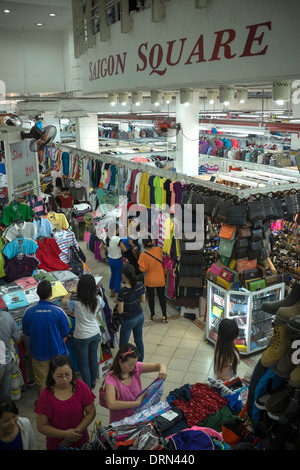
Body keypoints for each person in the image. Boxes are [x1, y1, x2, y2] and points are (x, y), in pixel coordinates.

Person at [35, 354, 96, 450]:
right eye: (59, 376)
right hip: (57, 443)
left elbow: (91, 412)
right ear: (52, 374)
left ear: (72, 371)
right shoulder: (46, 395)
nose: (64, 379)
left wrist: (75, 433)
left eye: (67, 374)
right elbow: (41, 426)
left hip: (79, 440)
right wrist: (65, 434)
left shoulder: (81, 387)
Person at [22, 280, 71, 396]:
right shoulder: (58, 311)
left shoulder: (29, 312)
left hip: (39, 354)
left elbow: (26, 332)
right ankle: (59, 403)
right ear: (51, 294)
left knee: (41, 383)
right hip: (57, 354)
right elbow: (65, 331)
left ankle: (44, 407)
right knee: (60, 381)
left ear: (37, 293)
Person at [104, 343, 167, 423]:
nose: (133, 367)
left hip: (138, 417)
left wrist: (163, 369)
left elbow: (158, 366)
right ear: (120, 362)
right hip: (121, 422)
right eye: (130, 365)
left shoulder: (135, 368)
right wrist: (136, 403)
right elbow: (111, 404)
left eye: (134, 364)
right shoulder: (111, 378)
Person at [61, 274, 104, 389]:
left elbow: (63, 301)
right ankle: (93, 382)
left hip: (81, 335)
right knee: (93, 359)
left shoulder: (76, 302)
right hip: (95, 333)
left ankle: (87, 386)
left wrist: (71, 291)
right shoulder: (98, 299)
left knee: (84, 362)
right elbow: (100, 308)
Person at [117, 264, 146, 361]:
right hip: (140, 316)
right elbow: (143, 300)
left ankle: (123, 364)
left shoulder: (122, 291)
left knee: (123, 344)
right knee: (138, 340)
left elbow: (120, 311)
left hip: (129, 319)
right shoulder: (141, 284)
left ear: (124, 275)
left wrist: (118, 302)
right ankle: (140, 363)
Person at [138, 237, 167, 323]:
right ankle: (164, 316)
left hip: (150, 280)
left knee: (151, 298)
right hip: (160, 278)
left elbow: (142, 269)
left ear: (143, 245)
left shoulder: (143, 255)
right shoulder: (159, 250)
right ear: (152, 242)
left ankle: (153, 315)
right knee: (162, 298)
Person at [101, 225, 127, 301]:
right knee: (118, 277)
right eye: (118, 229)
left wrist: (108, 249)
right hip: (117, 260)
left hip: (110, 259)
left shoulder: (106, 238)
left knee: (113, 275)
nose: (119, 230)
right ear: (114, 230)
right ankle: (117, 296)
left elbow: (100, 247)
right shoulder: (117, 239)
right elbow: (125, 249)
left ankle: (112, 293)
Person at [0, 311, 21, 397]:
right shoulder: (6, 316)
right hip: (6, 361)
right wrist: (8, 348)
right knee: (5, 397)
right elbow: (17, 339)